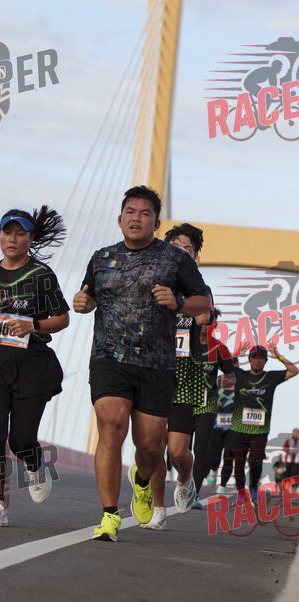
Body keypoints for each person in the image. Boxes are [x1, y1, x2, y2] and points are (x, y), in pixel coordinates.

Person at [73, 188, 211, 541]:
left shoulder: (174, 259)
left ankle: (142, 479)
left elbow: (203, 303)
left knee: (150, 449)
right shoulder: (101, 258)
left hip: (157, 365)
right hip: (109, 358)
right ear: (120, 219)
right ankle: (109, 516)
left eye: (145, 213)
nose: (136, 218)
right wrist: (84, 302)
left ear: (156, 222)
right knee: (110, 425)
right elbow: (89, 295)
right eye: (131, 212)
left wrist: (179, 302)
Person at [0, 206, 69, 526]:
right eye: (7, 232)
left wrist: (32, 325)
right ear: (0, 235)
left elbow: (62, 319)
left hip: (32, 365)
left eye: (20, 233)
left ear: (30, 238)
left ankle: (35, 461)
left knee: (21, 440)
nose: (12, 239)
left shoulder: (41, 275)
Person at [142, 223, 210, 529]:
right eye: (175, 248)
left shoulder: (200, 290)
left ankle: (185, 479)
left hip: (185, 377)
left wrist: (185, 291)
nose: (180, 253)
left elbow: (203, 316)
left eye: (187, 250)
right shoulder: (152, 284)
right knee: (155, 444)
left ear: (195, 258)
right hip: (155, 372)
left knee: (178, 451)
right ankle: (158, 509)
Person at [230, 344, 299, 505]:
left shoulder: (270, 377)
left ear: (266, 361)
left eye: (261, 358)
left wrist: (280, 357)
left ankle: (253, 487)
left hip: (260, 430)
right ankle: (241, 493)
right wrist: (235, 354)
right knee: (239, 462)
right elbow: (222, 364)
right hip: (238, 428)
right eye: (255, 358)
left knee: (255, 461)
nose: (258, 361)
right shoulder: (240, 374)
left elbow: (294, 371)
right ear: (249, 360)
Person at [190, 315, 234, 508]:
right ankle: (184, 482)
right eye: (201, 322)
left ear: (214, 325)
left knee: (201, 449)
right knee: (177, 451)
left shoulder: (219, 348)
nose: (204, 326)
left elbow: (231, 377)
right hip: (183, 402)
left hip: (207, 405)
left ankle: (193, 493)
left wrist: (225, 382)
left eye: (209, 323)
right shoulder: (183, 342)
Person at [206, 369, 236, 495]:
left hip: (233, 428)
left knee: (229, 457)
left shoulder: (241, 384)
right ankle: (213, 469)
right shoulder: (215, 381)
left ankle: (223, 485)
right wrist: (212, 403)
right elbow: (204, 397)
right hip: (216, 426)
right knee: (213, 457)